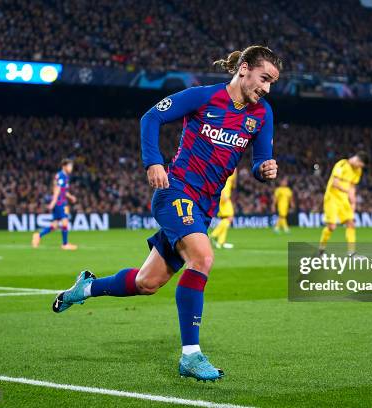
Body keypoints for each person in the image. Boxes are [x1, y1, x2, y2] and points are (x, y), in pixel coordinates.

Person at [51, 45, 282, 381]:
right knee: (202, 258)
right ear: (244, 68)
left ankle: (83, 289)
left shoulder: (262, 114)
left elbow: (260, 162)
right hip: (175, 192)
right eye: (264, 78)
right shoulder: (203, 97)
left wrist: (266, 169)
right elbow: (151, 116)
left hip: (203, 207)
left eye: (273, 82)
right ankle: (191, 355)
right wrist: (153, 162)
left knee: (147, 283)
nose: (267, 88)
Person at [319, 152, 368, 255]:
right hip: (331, 198)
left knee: (351, 224)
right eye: (360, 164)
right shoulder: (342, 164)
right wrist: (347, 191)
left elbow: (352, 186)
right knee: (331, 227)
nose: (359, 167)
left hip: (343, 200)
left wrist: (353, 201)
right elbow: (335, 183)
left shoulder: (358, 170)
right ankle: (321, 250)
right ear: (357, 160)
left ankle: (352, 253)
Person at [32, 158, 78, 250]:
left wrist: (71, 196)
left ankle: (38, 235)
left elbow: (63, 190)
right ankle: (65, 244)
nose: (71, 168)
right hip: (60, 203)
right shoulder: (61, 176)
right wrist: (53, 202)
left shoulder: (65, 176)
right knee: (65, 222)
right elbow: (57, 189)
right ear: (64, 166)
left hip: (62, 202)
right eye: (69, 166)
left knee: (55, 225)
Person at [209, 170, 237, 249]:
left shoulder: (231, 175)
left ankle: (220, 242)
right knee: (229, 218)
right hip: (223, 197)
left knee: (226, 219)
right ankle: (213, 235)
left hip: (225, 197)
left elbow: (233, 183)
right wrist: (222, 194)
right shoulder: (225, 171)